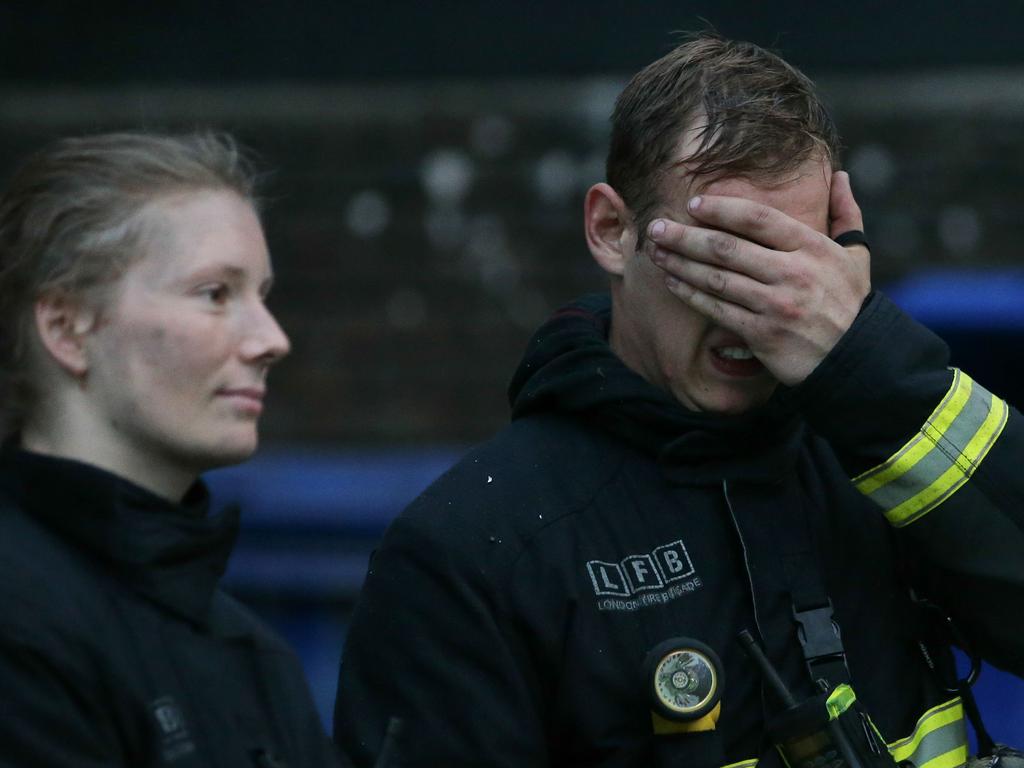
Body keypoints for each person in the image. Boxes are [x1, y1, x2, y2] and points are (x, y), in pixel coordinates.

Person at [333, 35, 1024, 767]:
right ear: (609, 229)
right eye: (716, 256)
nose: (756, 314)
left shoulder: (884, 466)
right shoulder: (471, 553)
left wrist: (870, 368)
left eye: (790, 266)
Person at [0, 132, 340, 767]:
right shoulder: (21, 624)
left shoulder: (250, 652)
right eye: (216, 294)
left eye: (261, 297)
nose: (272, 339)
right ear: (67, 328)